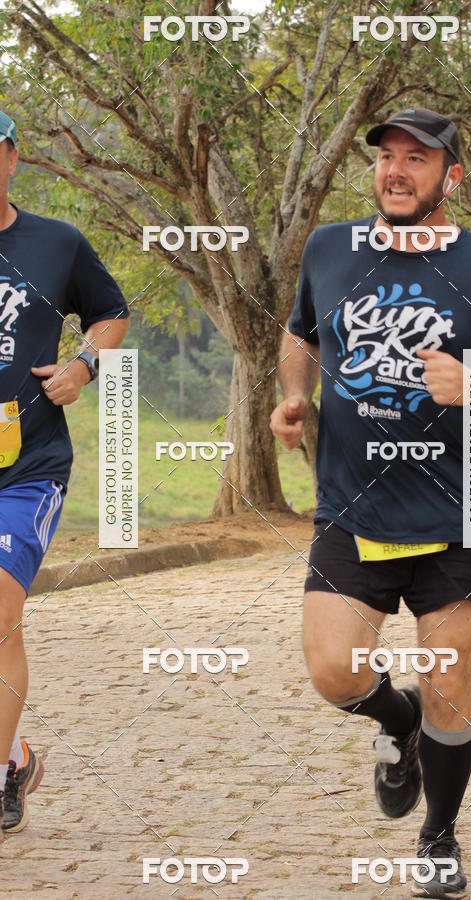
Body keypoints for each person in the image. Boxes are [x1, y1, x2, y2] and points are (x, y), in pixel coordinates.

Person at [270, 108, 471, 897]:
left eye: (417, 159)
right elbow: (302, 332)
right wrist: (294, 396)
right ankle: (398, 725)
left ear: (450, 178)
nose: (396, 171)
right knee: (335, 671)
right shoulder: (329, 248)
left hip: (463, 505)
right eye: (387, 157)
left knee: (448, 684)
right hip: (353, 502)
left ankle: (439, 837)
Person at [0, 110, 130, 838]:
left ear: (12, 157)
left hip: (28, 466)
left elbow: (111, 312)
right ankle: (18, 754)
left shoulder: (56, 243)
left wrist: (83, 365)